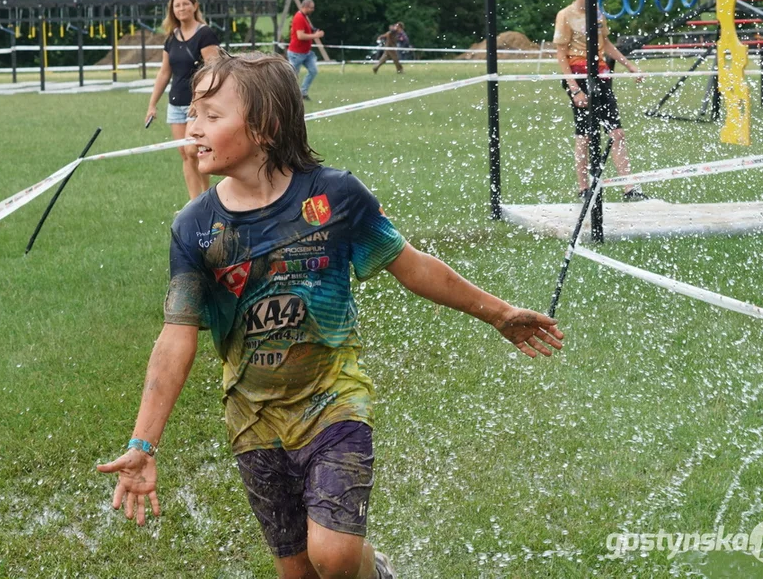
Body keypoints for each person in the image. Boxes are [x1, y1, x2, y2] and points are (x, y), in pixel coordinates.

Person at [98, 52, 564, 579]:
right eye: (193, 113)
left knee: (335, 556)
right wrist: (142, 443)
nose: (192, 127)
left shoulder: (334, 195)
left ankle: (370, 569)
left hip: (333, 400)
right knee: (298, 570)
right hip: (253, 419)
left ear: (265, 126)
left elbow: (411, 266)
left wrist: (498, 313)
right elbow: (176, 337)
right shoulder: (195, 226)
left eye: (210, 114)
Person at [554, 0, 649, 201]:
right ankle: (584, 188)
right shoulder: (565, 15)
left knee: (617, 132)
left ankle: (629, 189)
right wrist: (574, 88)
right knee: (584, 135)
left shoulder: (597, 13)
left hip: (601, 75)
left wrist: (630, 66)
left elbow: (606, 44)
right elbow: (561, 55)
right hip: (578, 75)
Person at [145, 0, 221, 200]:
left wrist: (199, 100)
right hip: (175, 103)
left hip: (197, 104)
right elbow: (164, 72)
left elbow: (214, 71)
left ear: (194, 6)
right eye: (176, 6)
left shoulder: (205, 34)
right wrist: (152, 104)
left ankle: (207, 197)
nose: (181, 9)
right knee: (185, 156)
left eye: (185, 4)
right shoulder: (172, 38)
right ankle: (195, 203)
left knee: (192, 150)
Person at [288, 0, 323, 101]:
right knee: (293, 76)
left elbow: (307, 29)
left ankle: (303, 92)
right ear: (305, 7)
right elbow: (300, 36)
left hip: (305, 53)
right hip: (296, 53)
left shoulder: (304, 17)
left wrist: (314, 30)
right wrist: (315, 35)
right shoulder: (299, 17)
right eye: (311, 8)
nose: (313, 10)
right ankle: (290, 96)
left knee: (313, 71)